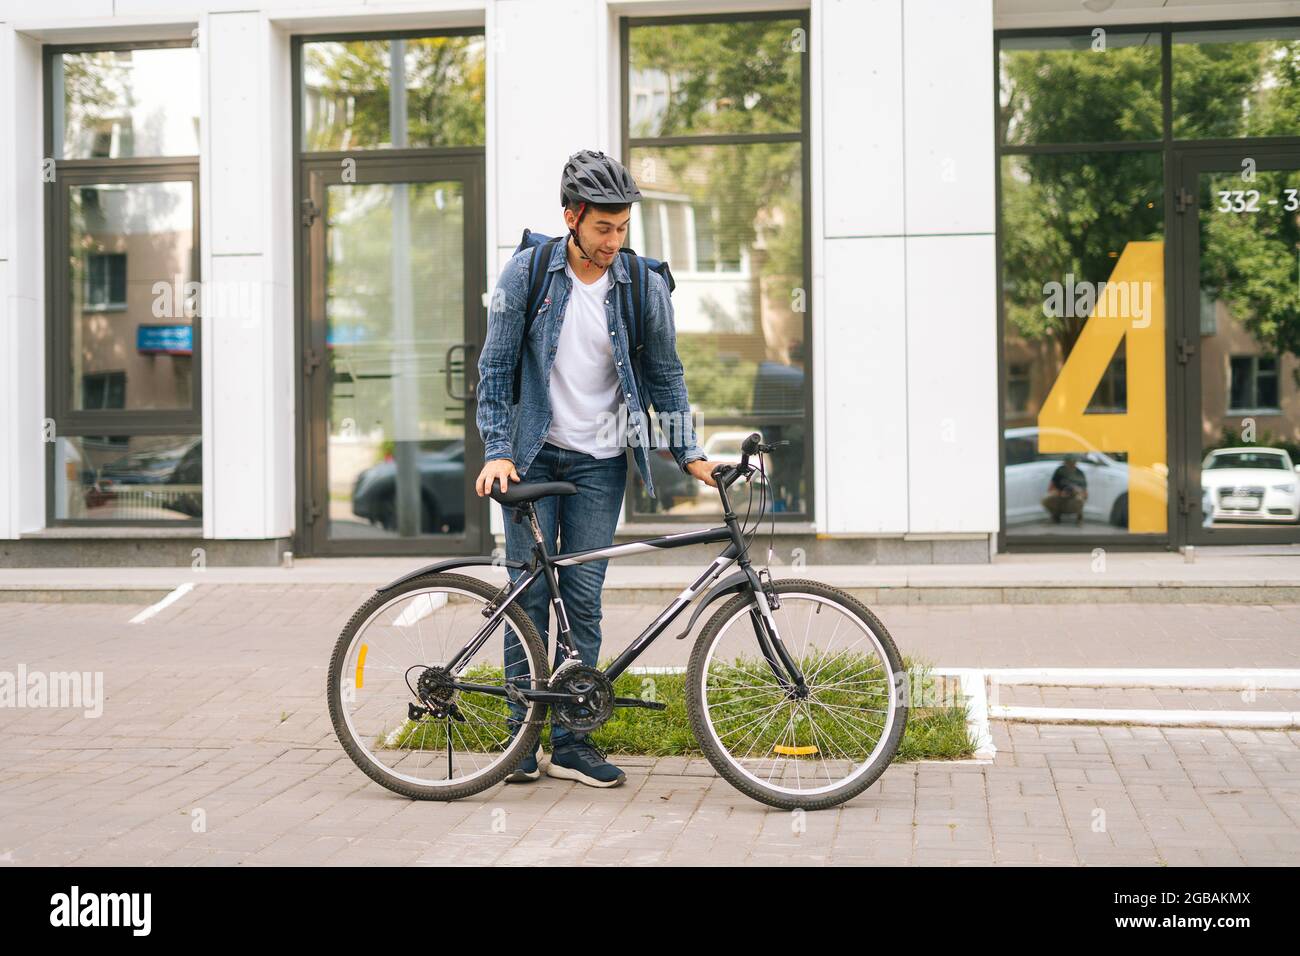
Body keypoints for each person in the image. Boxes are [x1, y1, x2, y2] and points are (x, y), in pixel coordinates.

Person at [474, 149, 716, 787]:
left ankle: (574, 743)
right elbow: (495, 370)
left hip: (601, 461)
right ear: (571, 217)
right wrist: (497, 447)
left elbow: (665, 373)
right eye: (603, 228)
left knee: (583, 598)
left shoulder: (642, 284)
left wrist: (689, 452)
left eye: (623, 228)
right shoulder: (526, 273)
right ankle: (520, 743)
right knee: (526, 594)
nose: (614, 241)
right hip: (530, 455)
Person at [1041, 455, 1088, 526]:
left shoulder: (1079, 473)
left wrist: (1076, 491)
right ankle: (1055, 517)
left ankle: (1079, 518)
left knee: (1080, 499)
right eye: (1068, 462)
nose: (1070, 464)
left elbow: (1084, 491)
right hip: (1060, 493)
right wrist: (1059, 492)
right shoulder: (1059, 471)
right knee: (1046, 499)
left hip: (1074, 496)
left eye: (1072, 462)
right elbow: (1052, 486)